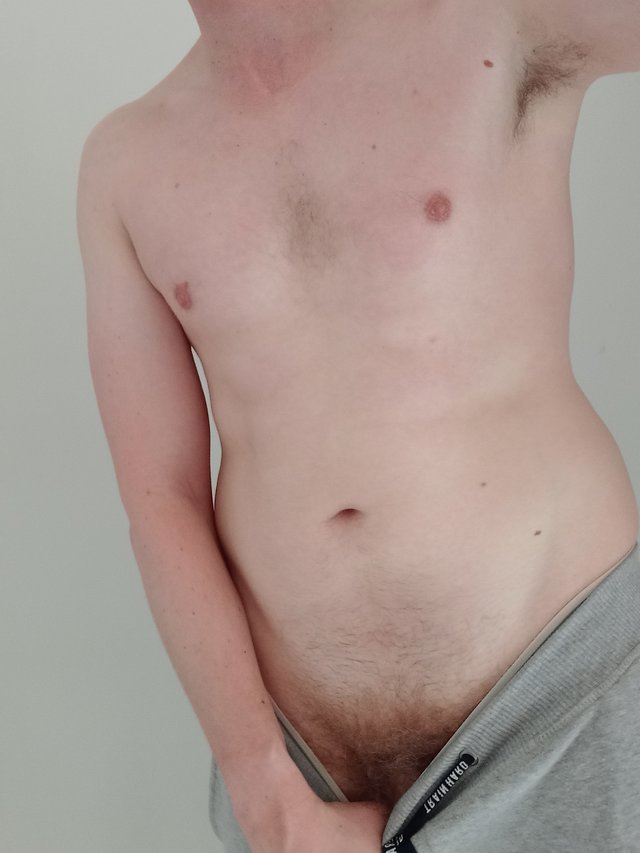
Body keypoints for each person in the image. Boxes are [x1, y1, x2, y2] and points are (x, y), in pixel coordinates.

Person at [76, 2, 640, 851]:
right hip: (304, 782)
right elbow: (162, 501)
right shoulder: (125, 162)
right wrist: (267, 793)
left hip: (566, 717)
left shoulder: (491, 20)